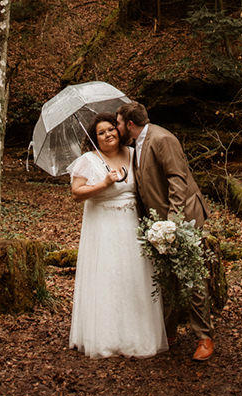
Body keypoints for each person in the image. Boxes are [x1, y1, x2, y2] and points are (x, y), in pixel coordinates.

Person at [116, 102, 215, 362]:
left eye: (118, 123)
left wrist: (174, 222)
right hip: (158, 224)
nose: (116, 129)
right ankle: (168, 331)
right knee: (166, 279)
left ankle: (204, 337)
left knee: (192, 277)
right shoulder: (136, 145)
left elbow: (177, 180)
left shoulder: (162, 139)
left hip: (184, 219)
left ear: (129, 124)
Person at [68, 113, 167, 358]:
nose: (108, 135)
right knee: (107, 276)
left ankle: (137, 335)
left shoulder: (134, 154)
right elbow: (76, 193)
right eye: (101, 133)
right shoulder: (87, 160)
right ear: (95, 138)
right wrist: (103, 184)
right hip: (102, 226)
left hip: (132, 224)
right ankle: (105, 337)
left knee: (134, 276)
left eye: (111, 129)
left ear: (119, 130)